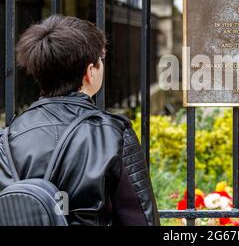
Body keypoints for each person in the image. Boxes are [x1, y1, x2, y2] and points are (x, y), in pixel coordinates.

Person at [0, 15, 160, 226]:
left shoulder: (7, 139)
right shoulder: (112, 134)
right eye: (100, 60)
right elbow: (141, 220)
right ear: (89, 71)